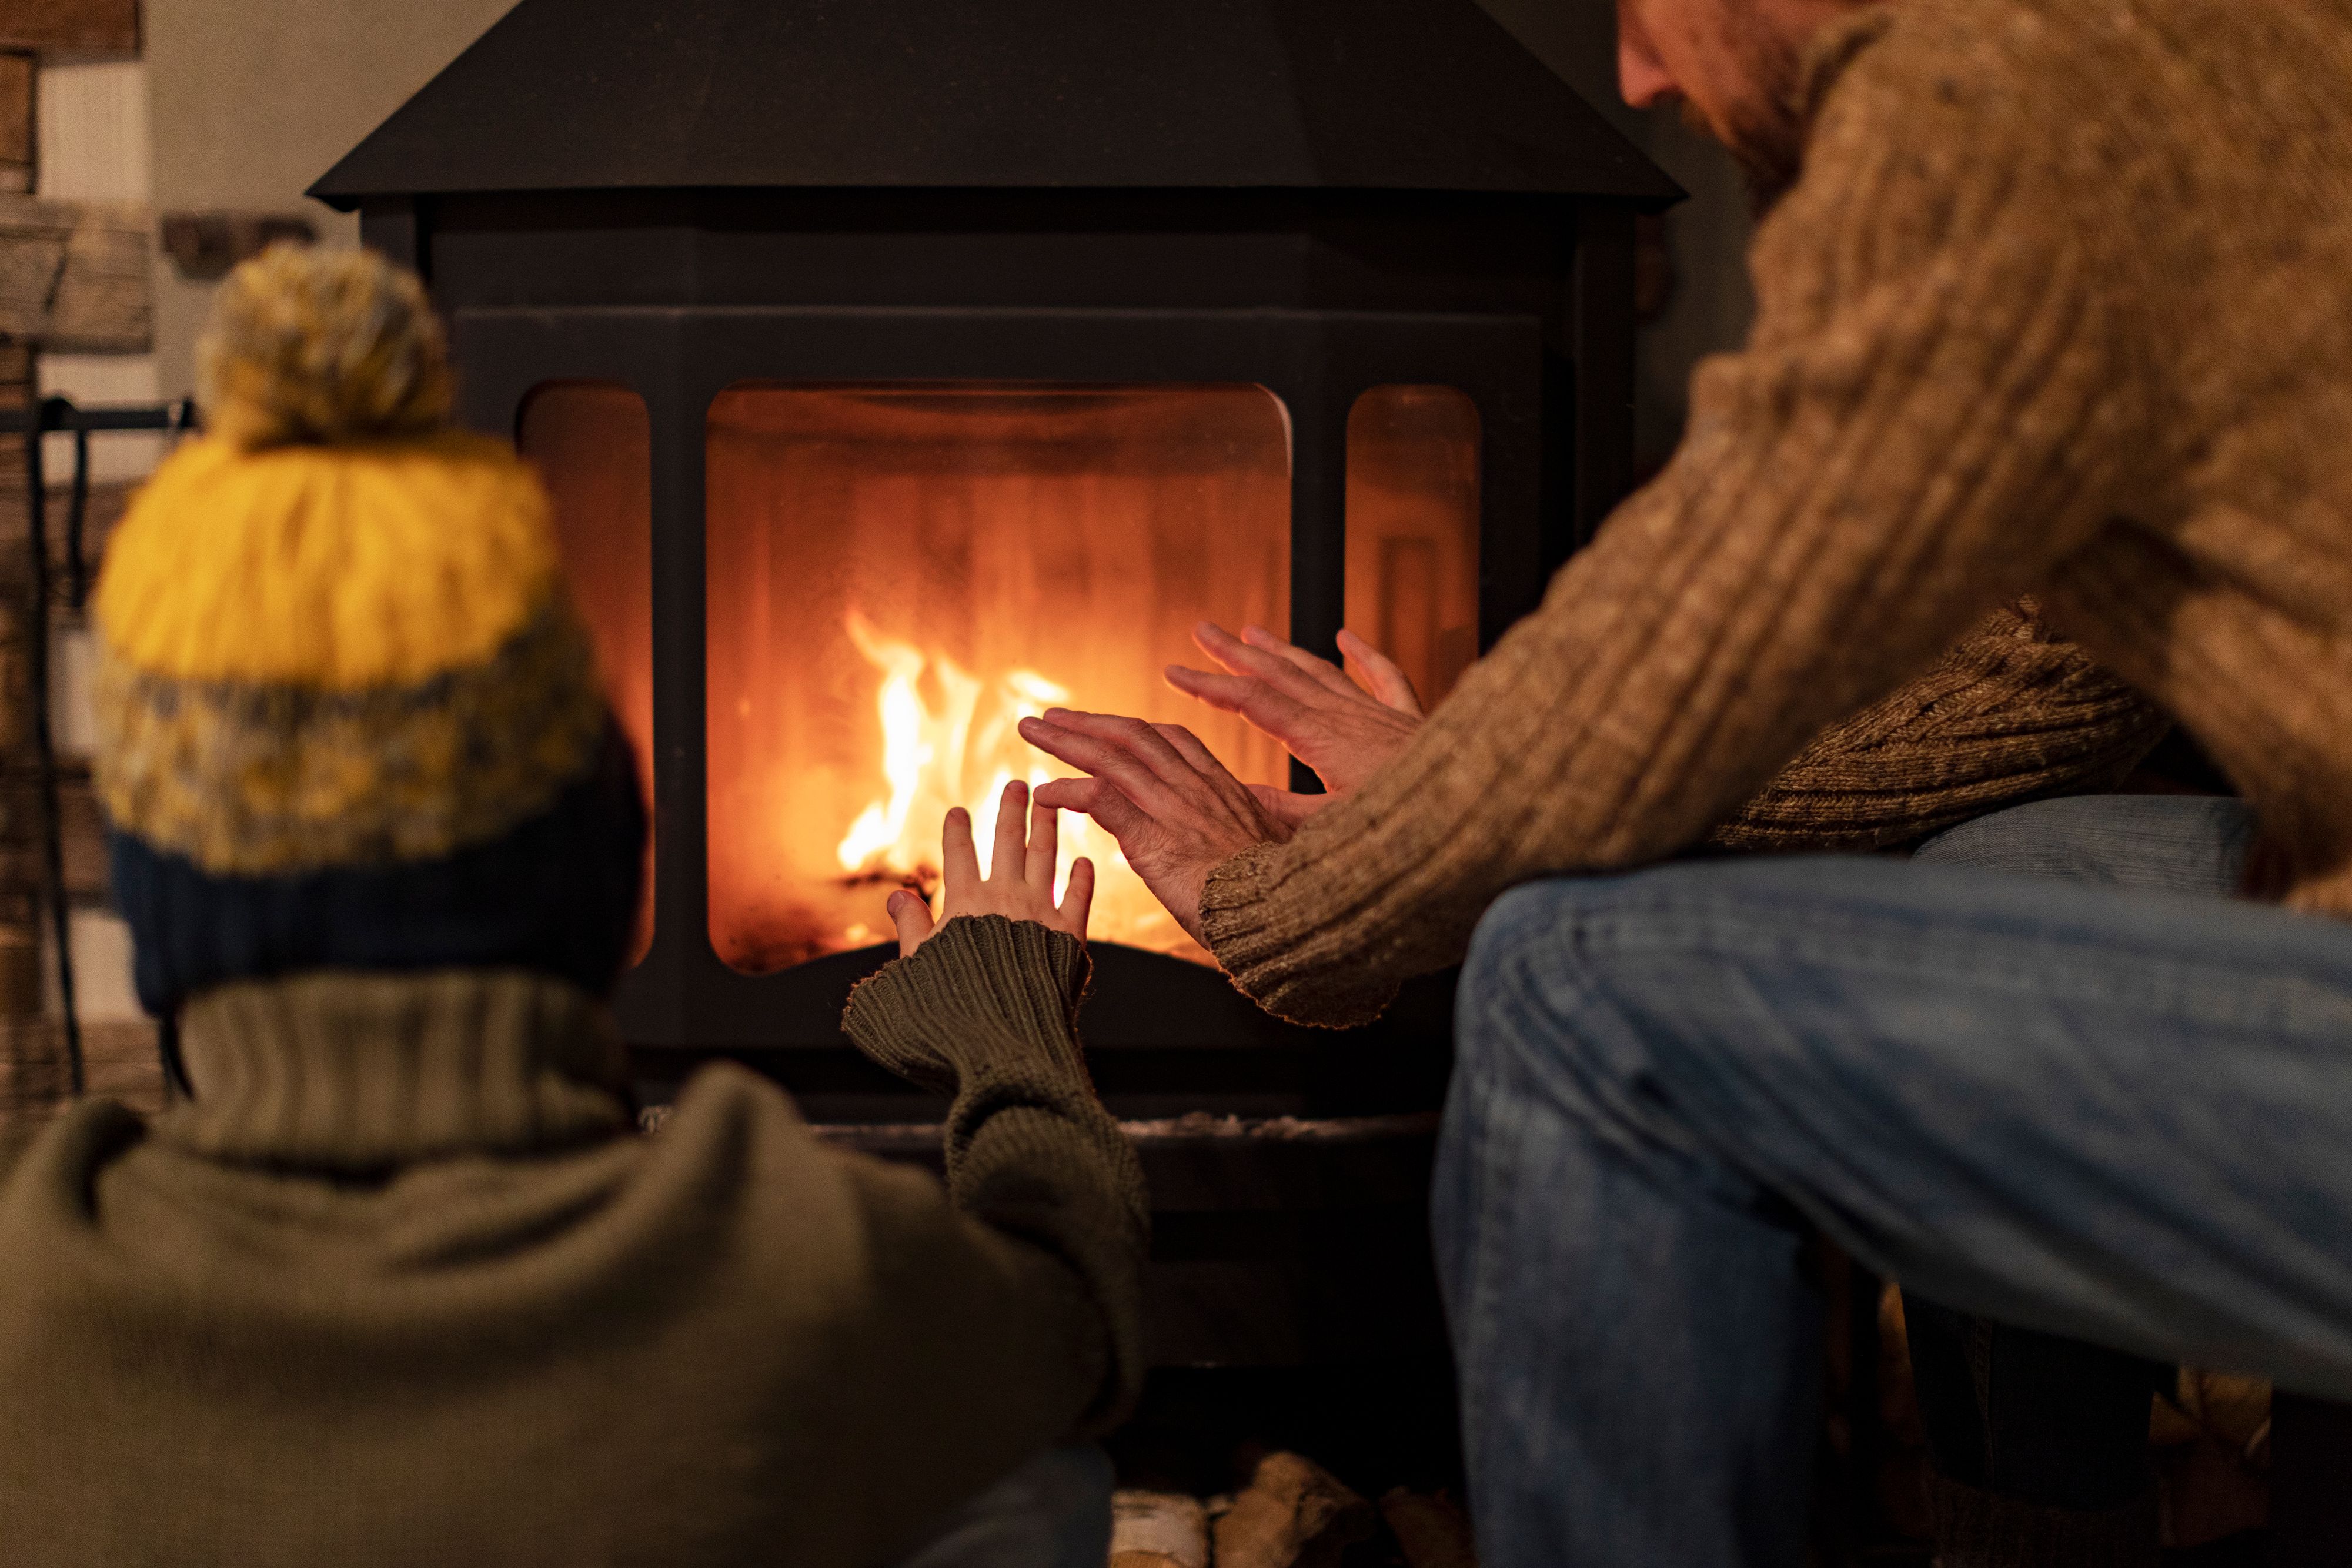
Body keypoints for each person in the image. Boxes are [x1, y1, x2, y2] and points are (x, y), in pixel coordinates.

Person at [1016, 0, 2352, 1561]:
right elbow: (2040, 677)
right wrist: (1471, 787)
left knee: (1571, 989)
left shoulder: (2003, 96)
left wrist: (1299, 895)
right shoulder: (2229, 46)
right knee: (2016, 874)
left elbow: (1693, 630)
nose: (1639, 77)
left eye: (1648, 6)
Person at [0, 245, 1144, 1568]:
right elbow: (1075, 1325)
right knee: (1030, 1479)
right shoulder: (779, 1270)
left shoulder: (30, 1285)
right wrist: (1006, 1027)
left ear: (161, 912)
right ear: (597, 861)